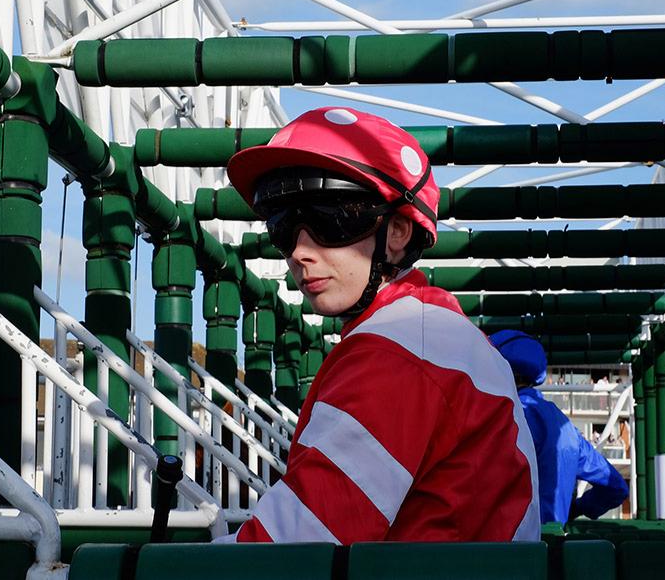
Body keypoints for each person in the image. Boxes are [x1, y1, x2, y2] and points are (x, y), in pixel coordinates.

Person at [222, 106, 539, 544]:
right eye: (283, 226)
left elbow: (291, 550)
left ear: (398, 233)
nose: (298, 251)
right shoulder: (435, 333)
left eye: (330, 219)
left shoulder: (397, 351)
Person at [489, 329, 629, 524]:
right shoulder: (567, 428)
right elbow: (616, 488)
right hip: (552, 546)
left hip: (502, 546)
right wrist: (575, 509)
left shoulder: (497, 419)